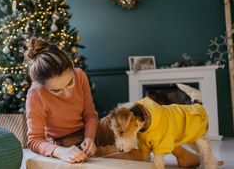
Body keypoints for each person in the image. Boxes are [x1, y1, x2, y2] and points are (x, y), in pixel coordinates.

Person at [25, 37, 221, 167]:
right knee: (140, 157)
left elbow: (90, 115)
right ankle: (98, 153)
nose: (67, 92)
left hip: (90, 129)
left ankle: (181, 154)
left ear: (73, 67)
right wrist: (59, 151)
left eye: (69, 83)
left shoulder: (79, 75)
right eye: (57, 91)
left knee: (129, 119)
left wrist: (90, 138)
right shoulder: (36, 94)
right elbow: (34, 140)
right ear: (42, 85)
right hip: (65, 141)